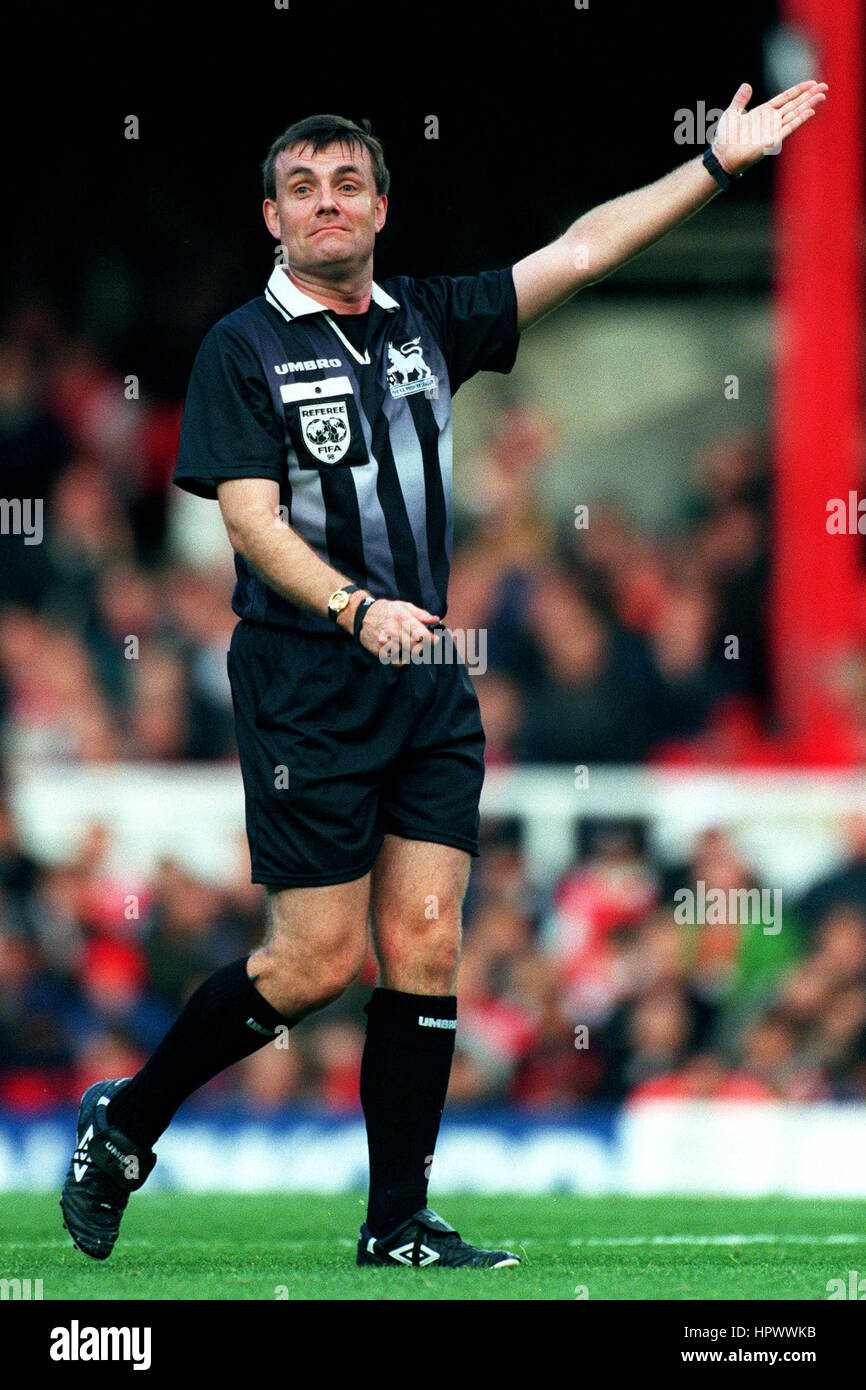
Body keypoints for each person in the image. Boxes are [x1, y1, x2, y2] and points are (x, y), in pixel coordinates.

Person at [61, 81, 827, 1269]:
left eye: (348, 183)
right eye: (302, 188)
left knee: (424, 941)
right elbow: (252, 524)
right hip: (307, 680)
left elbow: (578, 250)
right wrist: (352, 607)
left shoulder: (426, 320)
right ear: (271, 216)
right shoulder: (240, 348)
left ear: (381, 203)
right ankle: (126, 1121)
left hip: (424, 678)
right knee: (312, 965)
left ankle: (396, 1224)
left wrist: (716, 169)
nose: (327, 204)